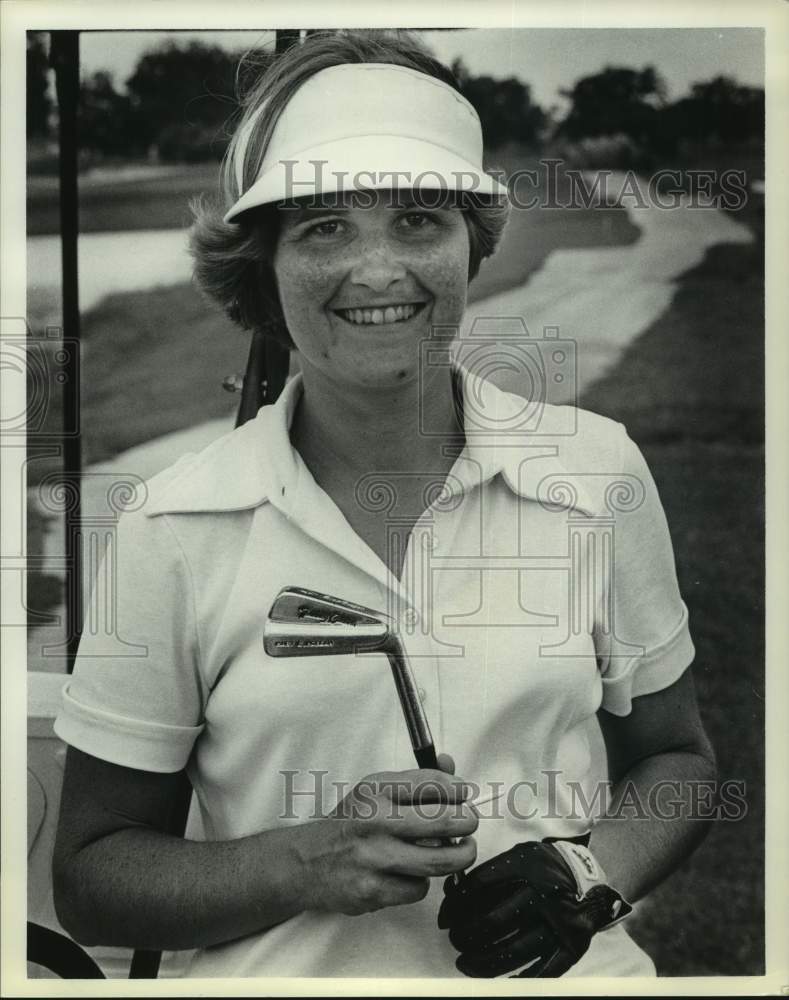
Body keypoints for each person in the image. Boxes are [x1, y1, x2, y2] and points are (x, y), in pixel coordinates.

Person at [52, 29, 716, 979]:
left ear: (470, 245)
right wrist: (303, 862)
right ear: (265, 263)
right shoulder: (171, 524)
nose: (378, 271)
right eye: (324, 225)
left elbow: (677, 763)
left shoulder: (594, 470)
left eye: (418, 219)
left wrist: (588, 870)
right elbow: (91, 876)